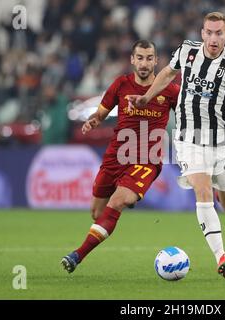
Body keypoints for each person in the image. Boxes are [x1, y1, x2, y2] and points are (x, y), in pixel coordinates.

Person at [129, 12, 225, 278]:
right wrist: (147, 97)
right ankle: (221, 257)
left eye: (219, 33)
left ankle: (216, 185)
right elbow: (167, 74)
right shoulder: (187, 51)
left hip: (224, 144)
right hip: (189, 139)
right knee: (202, 191)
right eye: (209, 32)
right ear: (202, 33)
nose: (213, 38)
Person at [61, 40, 179, 273]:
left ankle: (77, 255)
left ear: (156, 61)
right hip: (116, 157)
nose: (144, 63)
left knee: (118, 201)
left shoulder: (170, 90)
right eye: (140, 58)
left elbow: (187, 118)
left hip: (147, 160)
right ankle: (127, 196)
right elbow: (102, 112)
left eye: (149, 58)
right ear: (132, 60)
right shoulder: (121, 84)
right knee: (97, 213)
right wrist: (94, 119)